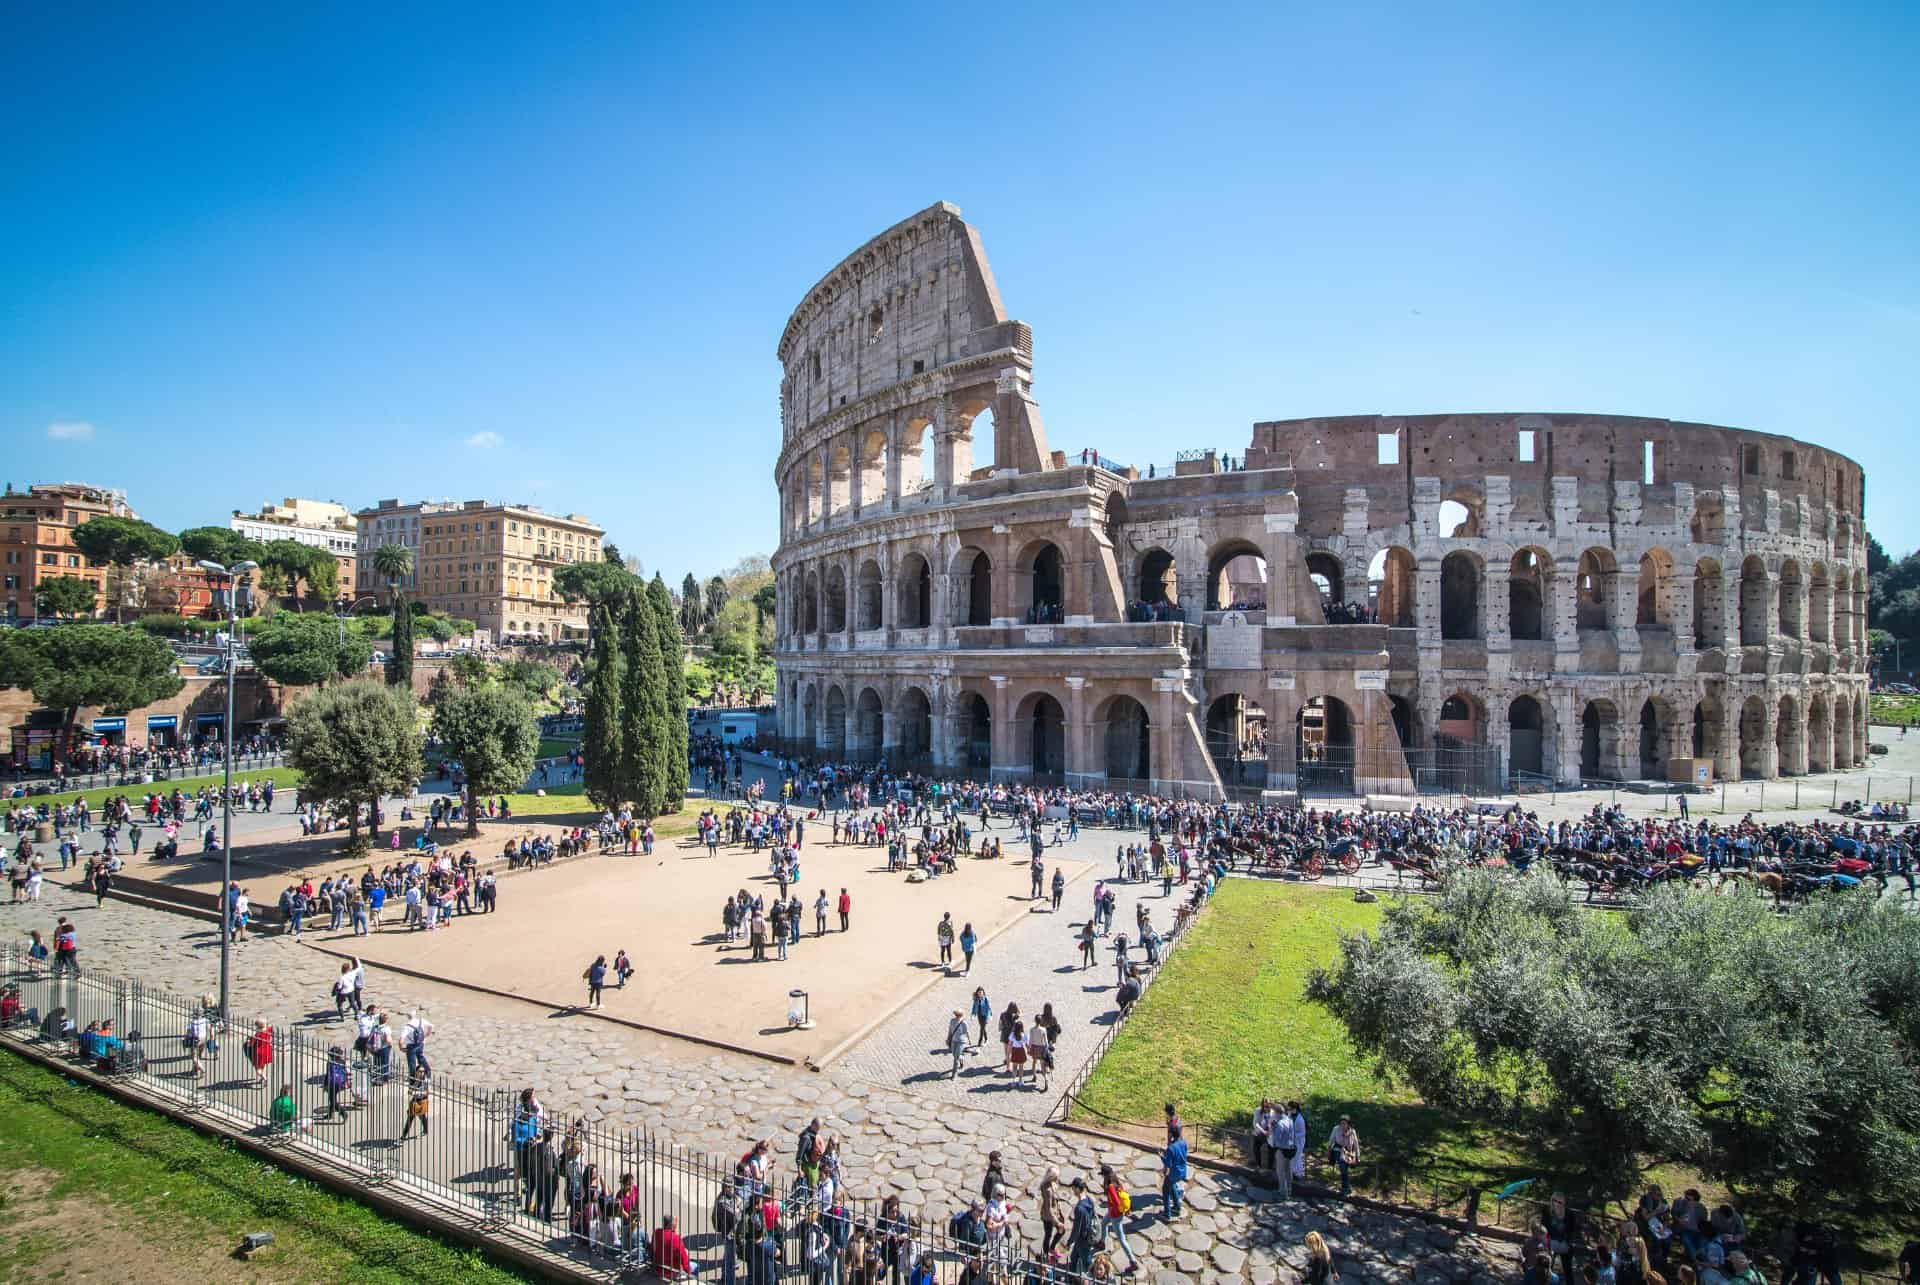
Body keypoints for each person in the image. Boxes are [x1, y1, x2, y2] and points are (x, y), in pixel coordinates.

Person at [1100, 1163, 1140, 1273]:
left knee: (1122, 1239)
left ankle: (1133, 1261)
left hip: (1115, 1215)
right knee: (1103, 1224)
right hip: (1114, 1213)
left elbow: (1117, 1202)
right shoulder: (1116, 1181)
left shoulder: (1110, 1186)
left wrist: (1115, 1210)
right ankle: (1102, 1242)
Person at [1068, 1176, 1099, 1277]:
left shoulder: (1079, 1208)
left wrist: (1070, 1241)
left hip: (1083, 1239)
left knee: (1087, 1262)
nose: (1072, 1190)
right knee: (1074, 1257)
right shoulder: (1089, 1200)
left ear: (1077, 1188)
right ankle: (1071, 1275)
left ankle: (1095, 1278)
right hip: (1087, 1234)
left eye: (1073, 1188)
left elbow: (1077, 1229)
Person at [1328, 1115, 1361, 1197]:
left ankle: (1346, 1188)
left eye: (1344, 1124)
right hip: (1338, 1150)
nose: (1342, 1125)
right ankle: (1345, 1188)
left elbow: (1356, 1144)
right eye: (1341, 1123)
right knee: (1342, 1165)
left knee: (1344, 1170)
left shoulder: (1352, 1131)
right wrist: (1328, 1150)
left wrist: (1358, 1156)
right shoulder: (1336, 1129)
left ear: (1348, 1124)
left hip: (1349, 1152)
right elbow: (1331, 1140)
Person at [653, 1213, 693, 1281]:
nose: (676, 1225)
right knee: (695, 1266)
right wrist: (689, 1273)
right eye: (675, 1223)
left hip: (658, 1268)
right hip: (672, 1272)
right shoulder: (675, 1238)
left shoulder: (656, 1232)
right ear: (671, 1224)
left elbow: (652, 1248)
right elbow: (684, 1259)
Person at [1162, 1123, 1189, 1219]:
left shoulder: (1171, 1148)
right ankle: (1177, 1207)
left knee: (1165, 1191)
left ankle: (1167, 1214)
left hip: (1173, 1173)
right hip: (1182, 1171)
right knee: (1172, 1185)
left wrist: (1161, 1157)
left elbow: (1168, 1164)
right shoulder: (1184, 1143)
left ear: (1171, 1134)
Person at [1268, 1107, 1295, 1198]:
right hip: (1291, 1149)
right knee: (1288, 1170)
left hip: (1282, 1150)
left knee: (1280, 1171)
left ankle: (1283, 1192)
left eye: (1274, 1113)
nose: (1273, 1115)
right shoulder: (1289, 1120)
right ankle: (1290, 1190)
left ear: (1277, 1113)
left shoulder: (1280, 1124)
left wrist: (1272, 1128)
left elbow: (1276, 1141)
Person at [945, 1009, 969, 1078]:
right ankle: (961, 1059)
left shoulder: (964, 1023)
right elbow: (950, 1030)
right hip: (953, 1040)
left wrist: (963, 1040)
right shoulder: (952, 1021)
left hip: (961, 1042)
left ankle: (954, 1074)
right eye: (956, 1014)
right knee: (953, 1054)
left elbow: (965, 1033)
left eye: (958, 1015)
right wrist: (948, 1038)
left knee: (955, 1058)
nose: (957, 1016)